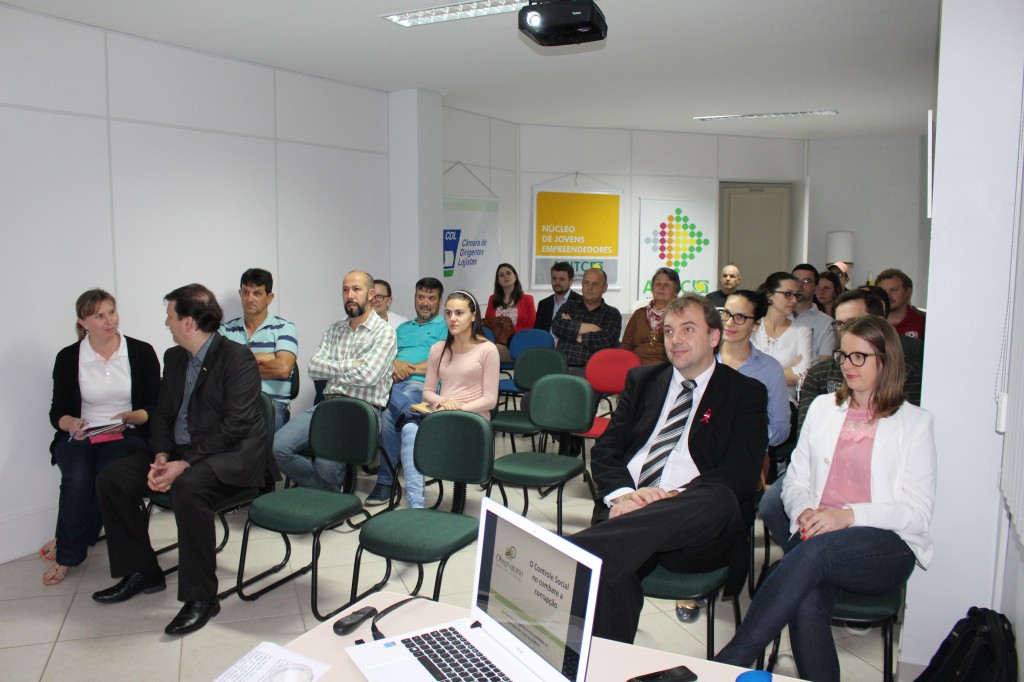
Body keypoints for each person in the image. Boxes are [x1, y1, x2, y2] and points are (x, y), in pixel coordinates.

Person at [716, 316, 936, 682]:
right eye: (843, 356)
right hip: (818, 538)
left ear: (887, 360)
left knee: (812, 554)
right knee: (806, 599)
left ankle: (729, 663)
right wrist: (803, 511)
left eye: (859, 357)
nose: (847, 366)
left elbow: (916, 514)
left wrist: (846, 516)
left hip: (884, 547)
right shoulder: (822, 408)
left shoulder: (915, 423)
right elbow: (796, 480)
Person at [568, 294, 768, 644]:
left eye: (688, 329)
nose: (675, 339)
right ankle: (607, 665)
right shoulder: (643, 381)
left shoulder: (745, 393)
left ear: (714, 336)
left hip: (692, 529)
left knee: (720, 497)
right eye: (669, 331)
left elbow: (741, 474)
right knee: (612, 574)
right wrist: (626, 496)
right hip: (625, 513)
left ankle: (573, 552)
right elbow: (606, 451)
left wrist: (669, 498)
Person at [93, 284, 276, 636]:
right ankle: (141, 570)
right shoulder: (175, 358)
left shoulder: (237, 359)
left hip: (231, 456)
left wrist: (184, 463)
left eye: (171, 316)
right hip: (180, 452)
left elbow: (235, 426)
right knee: (113, 478)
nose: (167, 322)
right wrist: (162, 453)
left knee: (188, 488)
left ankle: (202, 597)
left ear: (189, 322)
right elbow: (163, 413)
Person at [42, 289, 161, 586]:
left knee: (106, 476)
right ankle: (68, 554)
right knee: (78, 477)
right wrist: (71, 424)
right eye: (99, 316)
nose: (109, 321)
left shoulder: (141, 352)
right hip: (81, 436)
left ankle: (68, 542)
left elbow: (155, 407)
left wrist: (132, 418)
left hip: (126, 433)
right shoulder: (69, 358)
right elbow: (58, 412)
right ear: (83, 322)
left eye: (112, 312)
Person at [273, 271, 397, 492]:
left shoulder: (384, 332)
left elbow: (368, 376)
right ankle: (329, 492)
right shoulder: (335, 329)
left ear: (370, 295)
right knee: (278, 447)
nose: (349, 295)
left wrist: (334, 370)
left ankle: (324, 493)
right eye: (345, 289)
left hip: (362, 411)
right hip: (328, 405)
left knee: (326, 465)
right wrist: (352, 365)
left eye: (356, 289)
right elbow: (314, 367)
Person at [398, 291, 499, 508]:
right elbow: (428, 392)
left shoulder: (488, 350)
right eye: (449, 313)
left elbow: (490, 399)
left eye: (459, 313)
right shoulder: (438, 349)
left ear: (473, 316)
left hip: (473, 420)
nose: (452, 319)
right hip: (442, 415)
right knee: (408, 429)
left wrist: (458, 408)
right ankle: (416, 506)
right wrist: (443, 403)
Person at [371, 277, 447, 506]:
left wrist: (406, 368)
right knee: (388, 395)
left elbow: (441, 364)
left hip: (422, 385)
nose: (425, 303)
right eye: (421, 297)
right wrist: (394, 366)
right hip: (393, 384)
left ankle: (385, 482)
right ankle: (409, 412)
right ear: (415, 298)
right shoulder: (402, 329)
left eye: (431, 298)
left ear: (440, 301)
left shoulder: (445, 326)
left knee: (387, 415)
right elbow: (386, 359)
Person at [220, 268, 298, 431]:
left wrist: (239, 367)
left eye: (257, 293)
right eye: (246, 292)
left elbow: (283, 369)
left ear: (269, 298)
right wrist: (266, 356)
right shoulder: (225, 330)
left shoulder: (284, 328)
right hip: (234, 405)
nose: (250, 299)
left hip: (271, 405)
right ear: (240, 293)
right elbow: (220, 371)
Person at [752, 272, 812, 405]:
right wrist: (788, 370)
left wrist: (756, 370)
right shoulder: (752, 328)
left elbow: (802, 376)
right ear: (769, 295)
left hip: (786, 404)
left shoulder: (802, 331)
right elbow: (739, 369)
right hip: (750, 401)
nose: (794, 300)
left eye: (797, 295)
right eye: (788, 294)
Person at [551, 267, 622, 375]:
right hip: (560, 366)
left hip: (591, 370)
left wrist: (572, 333)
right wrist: (590, 328)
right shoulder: (569, 306)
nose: (590, 287)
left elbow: (606, 340)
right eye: (586, 283)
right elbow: (557, 326)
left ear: (605, 288)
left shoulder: (612, 314)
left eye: (595, 284)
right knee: (537, 389)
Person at [621, 267, 681, 365]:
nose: (661, 287)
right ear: (652, 289)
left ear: (676, 291)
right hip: (636, 367)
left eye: (666, 284)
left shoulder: (680, 315)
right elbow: (626, 346)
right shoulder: (639, 314)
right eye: (658, 284)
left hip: (666, 368)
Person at [484, 263, 536, 356]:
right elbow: (488, 325)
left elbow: (532, 326)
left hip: (519, 340)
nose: (505, 276)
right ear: (498, 281)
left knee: (487, 354)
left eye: (508, 273)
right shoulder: (492, 299)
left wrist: (508, 330)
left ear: (515, 277)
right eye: (501, 275)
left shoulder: (528, 299)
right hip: (496, 342)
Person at [791, 264, 835, 363]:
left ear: (816, 289)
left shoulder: (827, 323)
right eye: (796, 280)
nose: (800, 285)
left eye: (806, 281)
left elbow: (824, 364)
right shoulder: (778, 316)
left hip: (809, 377)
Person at [876, 267, 926, 342]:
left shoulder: (923, 322)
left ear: (908, 292)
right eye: (883, 291)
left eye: (893, 290)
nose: (887, 295)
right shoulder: (872, 322)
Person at [534, 261, 581, 334]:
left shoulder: (581, 302)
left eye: (562, 279)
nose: (557, 282)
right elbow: (538, 333)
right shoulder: (543, 304)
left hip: (569, 344)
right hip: (547, 345)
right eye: (554, 278)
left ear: (571, 281)